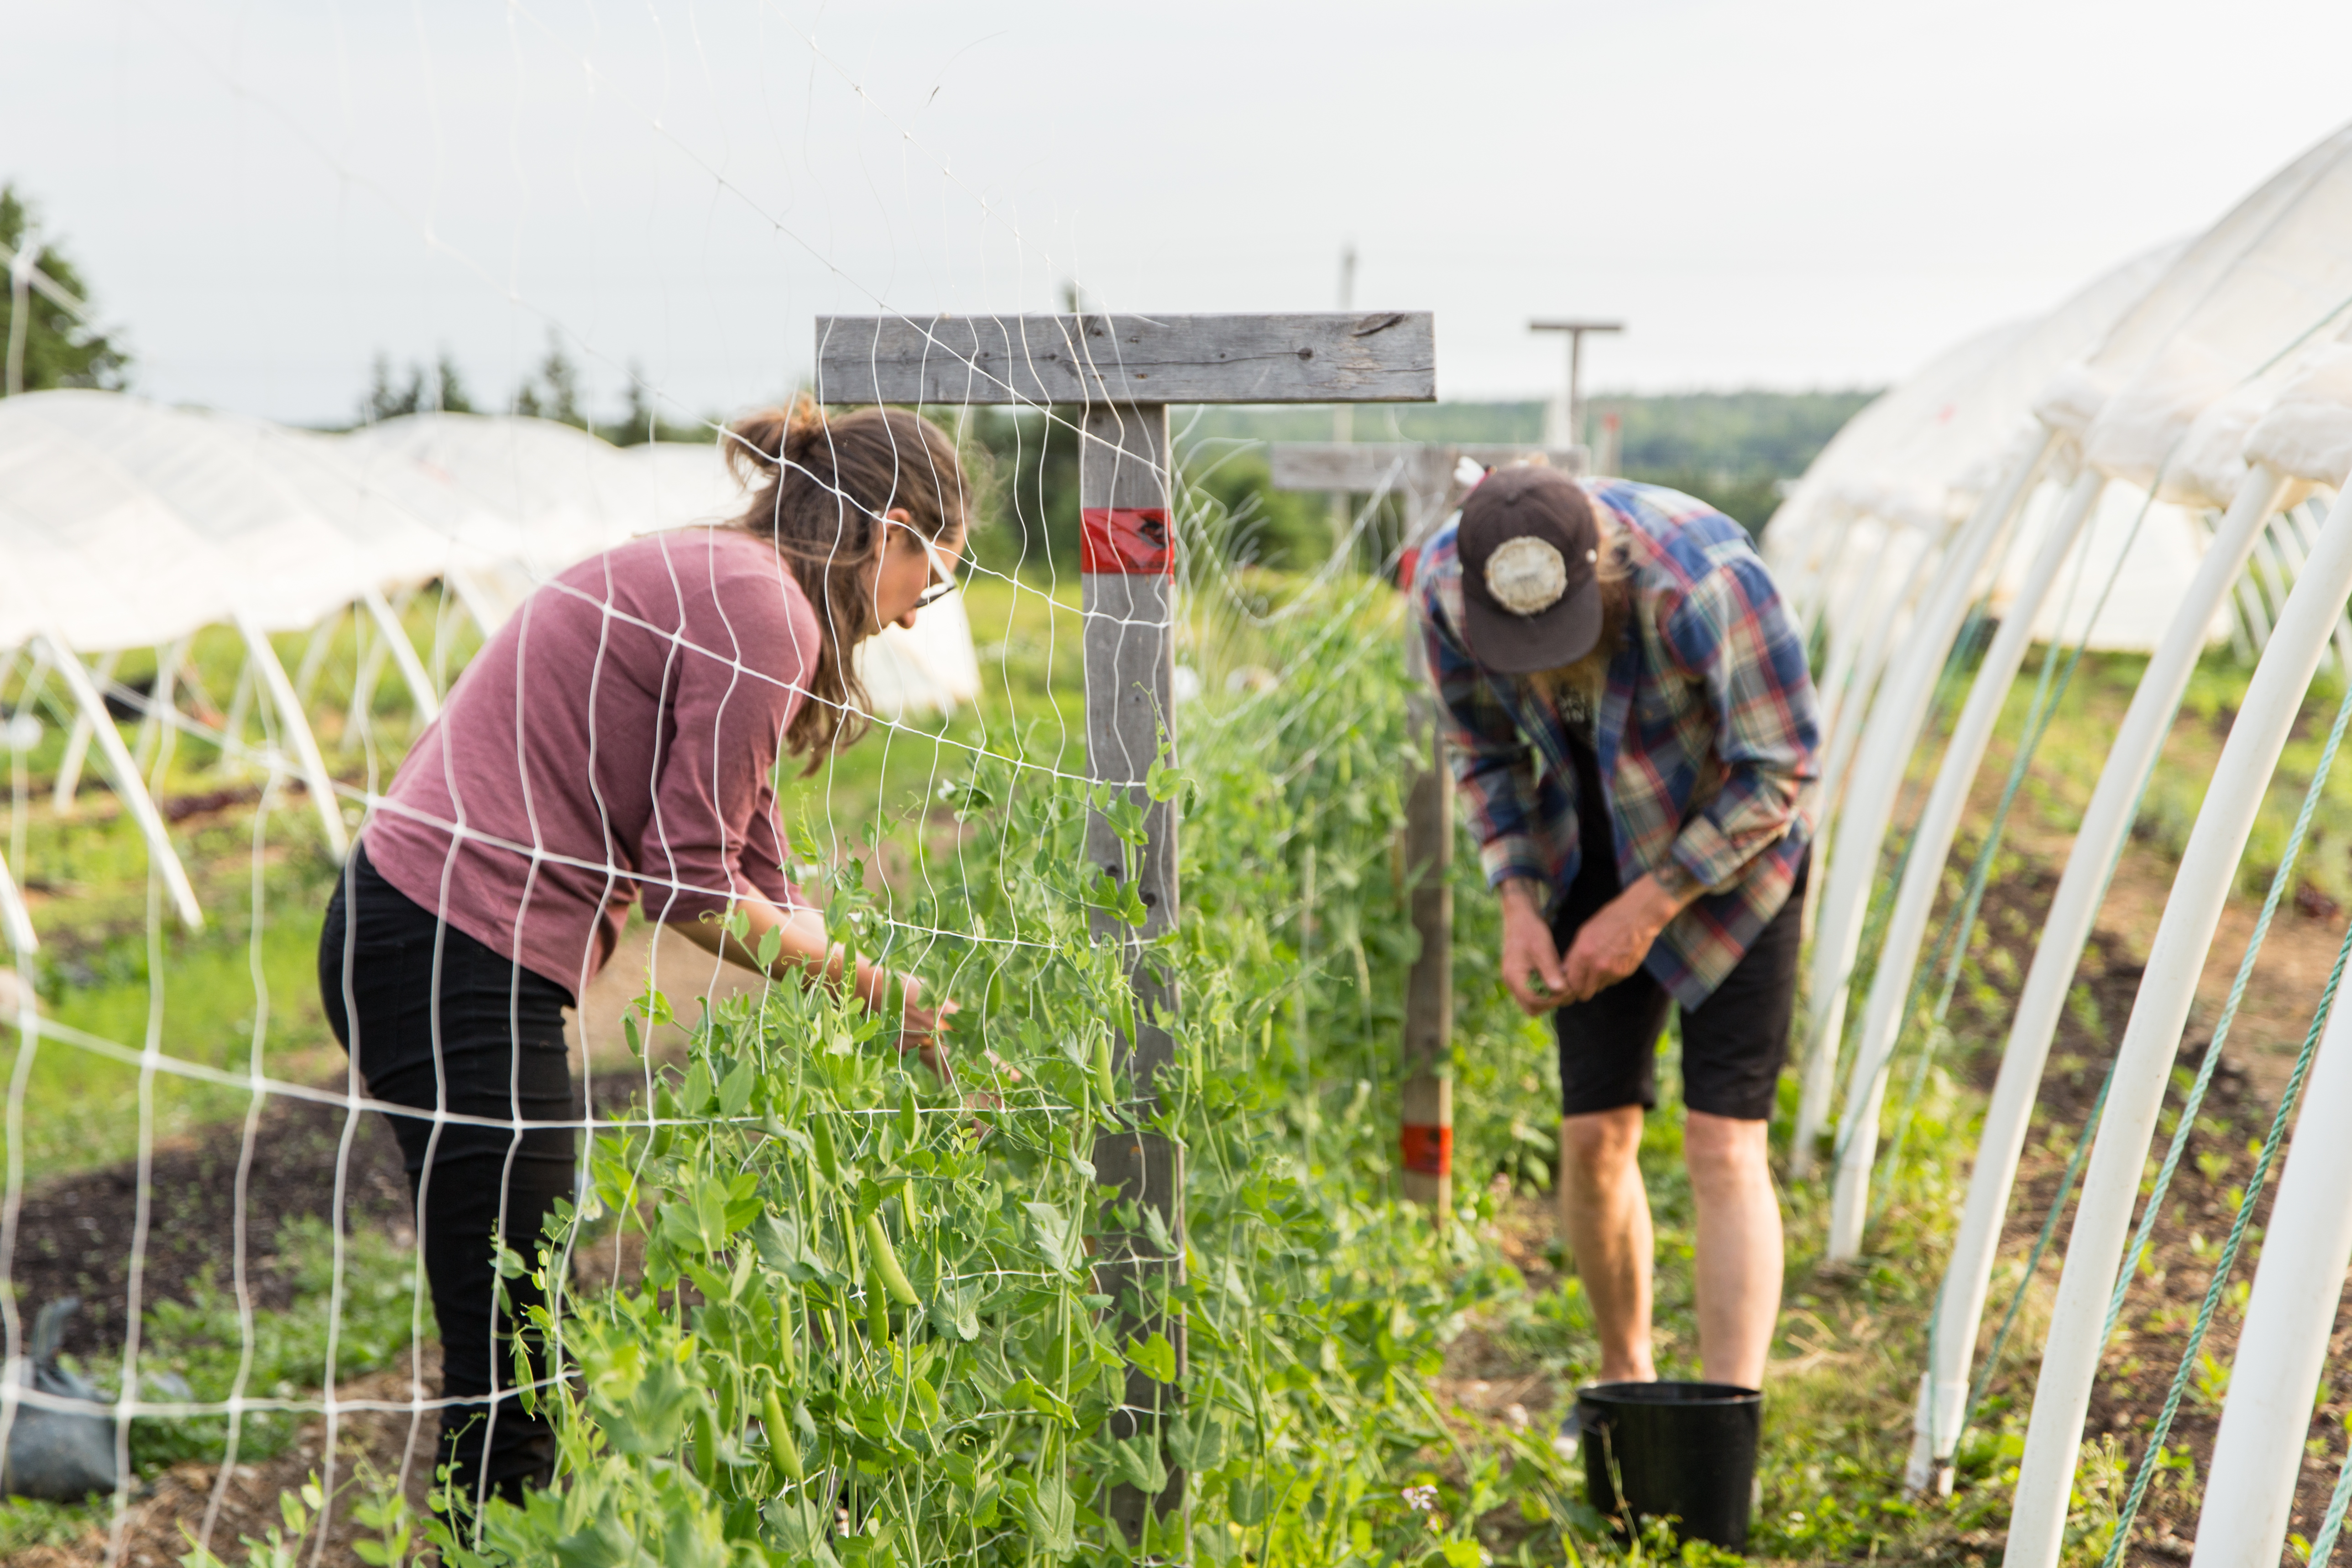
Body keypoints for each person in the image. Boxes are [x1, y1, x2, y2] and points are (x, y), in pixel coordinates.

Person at [317, 396, 970, 1512]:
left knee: (519, 1320)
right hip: (448, 942)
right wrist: (867, 988)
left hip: (422, 930)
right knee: (517, 1347)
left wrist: (867, 988)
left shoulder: (731, 577)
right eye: (935, 577)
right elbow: (690, 883)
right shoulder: (766, 611)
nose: (915, 618)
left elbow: (750, 850)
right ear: (890, 530)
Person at [1417, 464, 1818, 1392]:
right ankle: (1626, 1383)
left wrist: (1647, 907)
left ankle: (1726, 1414)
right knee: (1595, 1136)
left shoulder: (1704, 578)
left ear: (1604, 577)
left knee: (1723, 1141)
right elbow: (1482, 752)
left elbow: (1781, 767)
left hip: (1730, 848)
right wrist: (1519, 900)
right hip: (1578, 845)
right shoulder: (1444, 589)